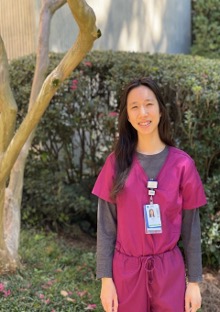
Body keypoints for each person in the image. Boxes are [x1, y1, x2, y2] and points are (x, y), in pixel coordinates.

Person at [92, 77, 207, 312]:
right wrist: (106, 280)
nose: (142, 113)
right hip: (126, 274)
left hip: (170, 275)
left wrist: (194, 282)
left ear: (161, 110)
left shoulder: (182, 165)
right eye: (134, 106)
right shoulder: (116, 164)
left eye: (149, 104)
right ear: (127, 115)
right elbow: (106, 228)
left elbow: (191, 228)